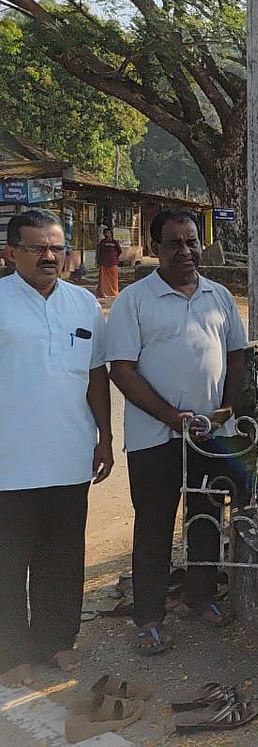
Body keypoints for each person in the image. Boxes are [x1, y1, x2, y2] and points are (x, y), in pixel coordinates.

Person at [107, 210, 248, 655]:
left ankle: (200, 597)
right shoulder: (135, 299)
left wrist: (223, 411)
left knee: (205, 519)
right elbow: (122, 370)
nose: (186, 251)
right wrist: (172, 417)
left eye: (191, 242)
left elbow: (237, 356)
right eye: (174, 243)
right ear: (156, 248)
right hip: (155, 438)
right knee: (153, 526)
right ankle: (149, 618)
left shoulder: (219, 296)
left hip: (207, 436)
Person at [0, 209, 112, 687]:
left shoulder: (83, 303)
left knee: (62, 557)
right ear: (10, 253)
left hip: (69, 454)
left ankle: (57, 642)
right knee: (9, 560)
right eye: (36, 247)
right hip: (8, 462)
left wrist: (105, 436)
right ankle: (11, 653)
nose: (50, 256)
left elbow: (96, 374)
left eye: (56, 247)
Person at [96, 225, 122, 297]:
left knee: (113, 279)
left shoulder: (114, 242)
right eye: (106, 233)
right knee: (104, 280)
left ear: (111, 234)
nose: (107, 234)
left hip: (113, 263)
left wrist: (114, 258)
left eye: (109, 233)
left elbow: (119, 251)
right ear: (104, 234)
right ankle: (104, 293)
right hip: (104, 263)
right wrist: (99, 260)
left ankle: (113, 292)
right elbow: (99, 252)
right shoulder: (102, 242)